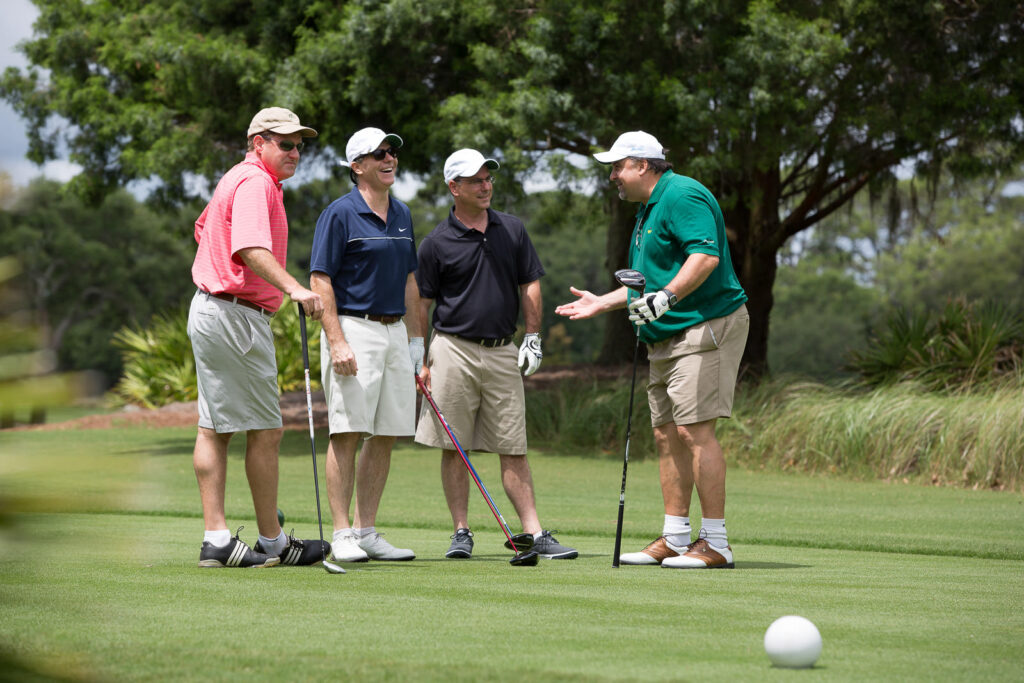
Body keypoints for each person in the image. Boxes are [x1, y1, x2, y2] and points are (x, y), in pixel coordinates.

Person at [555, 131, 749, 569]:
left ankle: (715, 542)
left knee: (694, 430)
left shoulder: (682, 195)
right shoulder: (647, 210)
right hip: (667, 334)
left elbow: (706, 257)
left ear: (643, 165)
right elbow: (646, 285)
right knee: (665, 433)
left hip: (705, 326)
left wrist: (669, 298)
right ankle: (677, 537)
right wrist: (601, 302)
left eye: (618, 167)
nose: (612, 176)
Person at [414, 148, 577, 561]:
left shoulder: (512, 229)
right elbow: (421, 304)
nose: (486, 186)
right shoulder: (436, 242)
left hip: (503, 349)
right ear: (454, 188)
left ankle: (534, 532)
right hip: (451, 349)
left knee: (513, 444)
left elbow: (531, 285)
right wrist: (420, 356)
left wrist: (533, 337)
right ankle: (461, 532)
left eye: (488, 178)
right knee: (455, 446)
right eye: (475, 181)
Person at [189, 107, 328, 568]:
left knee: (215, 428)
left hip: (215, 309)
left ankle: (218, 539)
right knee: (266, 430)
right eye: (284, 144)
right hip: (235, 315)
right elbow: (248, 248)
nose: (294, 152)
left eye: (299, 145)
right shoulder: (255, 183)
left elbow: (204, 227)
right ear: (258, 143)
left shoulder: (237, 179)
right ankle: (271, 541)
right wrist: (293, 287)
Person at [309, 127, 422, 563]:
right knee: (348, 430)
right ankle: (341, 533)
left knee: (388, 433)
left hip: (395, 332)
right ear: (357, 166)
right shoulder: (338, 214)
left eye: (391, 151)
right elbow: (320, 281)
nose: (389, 158)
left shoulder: (403, 213)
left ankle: (367, 530)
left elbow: (410, 281)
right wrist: (335, 340)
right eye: (379, 154)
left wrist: (416, 341)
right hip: (353, 328)